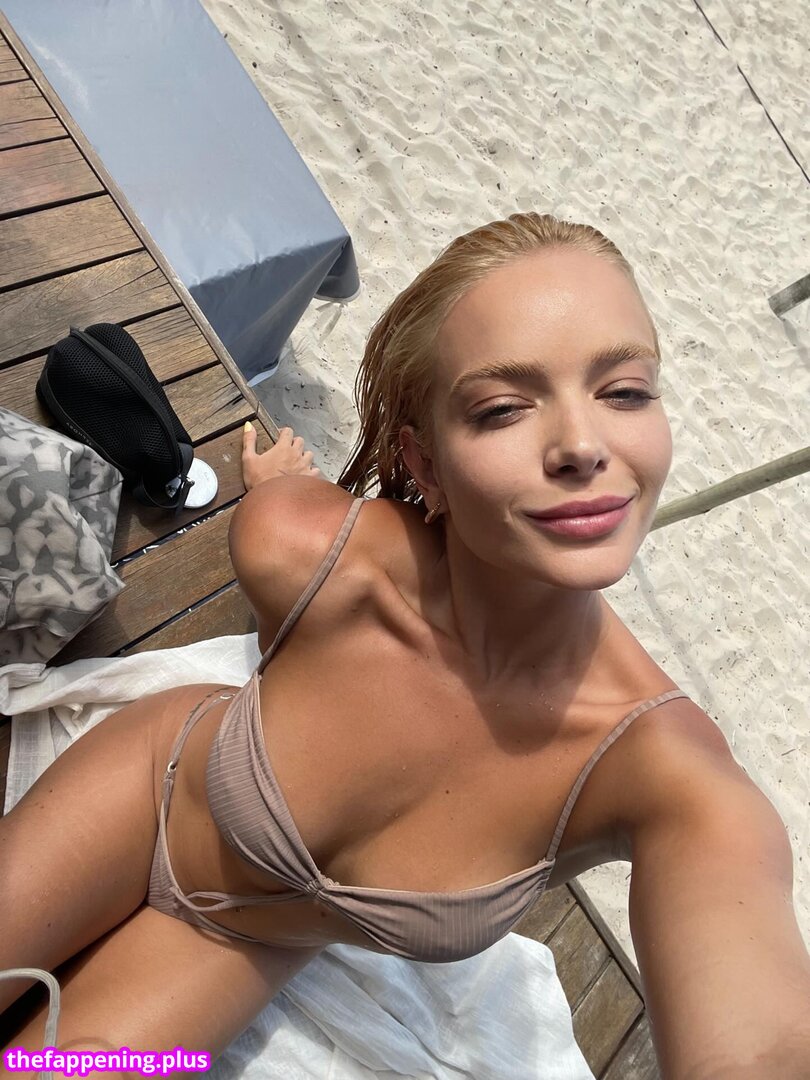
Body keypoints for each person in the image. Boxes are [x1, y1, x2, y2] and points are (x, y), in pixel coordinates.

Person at [1, 212, 808, 1079]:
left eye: (625, 391)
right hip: (148, 793)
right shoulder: (310, 555)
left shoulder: (665, 775)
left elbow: (762, 1042)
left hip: (236, 946)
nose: (582, 446)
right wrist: (278, 486)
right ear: (423, 467)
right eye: (503, 409)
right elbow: (284, 581)